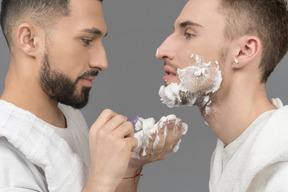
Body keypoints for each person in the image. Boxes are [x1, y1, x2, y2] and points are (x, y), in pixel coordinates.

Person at [0, 0, 184, 191]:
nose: (102, 62)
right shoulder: (5, 158)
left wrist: (127, 168)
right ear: (29, 40)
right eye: (86, 41)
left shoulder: (68, 116)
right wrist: (102, 180)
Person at [156, 0, 288, 191]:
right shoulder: (236, 155)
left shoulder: (281, 175)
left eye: (189, 34)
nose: (162, 50)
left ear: (244, 51)